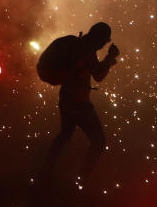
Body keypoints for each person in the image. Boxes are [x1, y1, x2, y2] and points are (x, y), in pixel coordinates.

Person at [40, 22, 119, 183]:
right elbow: (98, 75)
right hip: (79, 103)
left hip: (66, 98)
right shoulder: (87, 51)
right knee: (98, 141)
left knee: (65, 135)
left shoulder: (77, 45)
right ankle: (81, 182)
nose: (104, 44)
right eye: (105, 41)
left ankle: (45, 170)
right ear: (100, 39)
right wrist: (110, 57)